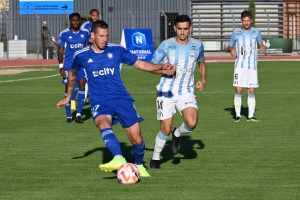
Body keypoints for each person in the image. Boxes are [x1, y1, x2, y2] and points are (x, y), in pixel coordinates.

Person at [56, 20, 174, 177]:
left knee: (137, 139)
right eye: (101, 36)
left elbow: (141, 65)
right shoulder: (81, 55)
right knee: (102, 123)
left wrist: (161, 68)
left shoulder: (117, 50)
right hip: (100, 101)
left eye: (107, 36)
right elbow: (72, 74)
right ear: (92, 36)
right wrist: (69, 97)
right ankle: (119, 158)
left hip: (121, 98)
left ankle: (139, 165)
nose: (105, 39)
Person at [149, 14, 207, 169]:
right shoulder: (166, 45)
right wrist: (164, 70)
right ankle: (155, 157)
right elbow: (152, 67)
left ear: (190, 29)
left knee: (192, 122)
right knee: (165, 128)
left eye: (185, 29)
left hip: (186, 92)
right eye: (179, 29)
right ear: (174, 28)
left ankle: (177, 134)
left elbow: (201, 63)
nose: (182, 32)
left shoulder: (197, 45)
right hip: (165, 91)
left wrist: (203, 80)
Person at [227, 10, 266, 122]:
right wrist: (232, 49)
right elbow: (229, 47)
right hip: (240, 66)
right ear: (241, 21)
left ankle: (250, 116)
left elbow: (260, 43)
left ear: (251, 20)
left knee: (251, 91)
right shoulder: (236, 33)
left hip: (252, 66)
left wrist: (262, 46)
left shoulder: (256, 32)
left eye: (248, 20)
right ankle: (238, 115)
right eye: (244, 21)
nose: (246, 23)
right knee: (239, 90)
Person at [57, 13, 90, 123]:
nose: (75, 22)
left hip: (81, 65)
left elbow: (87, 48)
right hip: (69, 65)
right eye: (73, 21)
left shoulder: (85, 33)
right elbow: (60, 50)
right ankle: (69, 115)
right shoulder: (64, 33)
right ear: (70, 21)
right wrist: (61, 66)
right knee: (68, 88)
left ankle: (79, 114)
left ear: (80, 21)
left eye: (77, 21)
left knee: (82, 85)